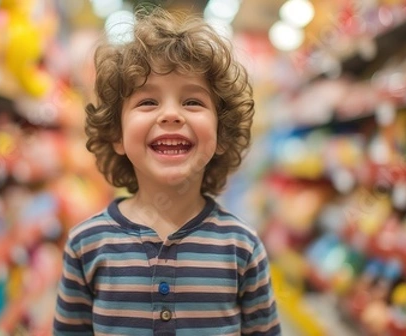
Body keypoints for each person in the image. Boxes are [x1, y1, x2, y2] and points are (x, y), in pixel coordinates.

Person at [54, 6, 281, 336]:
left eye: (192, 102)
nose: (171, 115)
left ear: (221, 134)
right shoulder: (85, 245)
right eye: (148, 102)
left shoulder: (242, 248)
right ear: (116, 134)